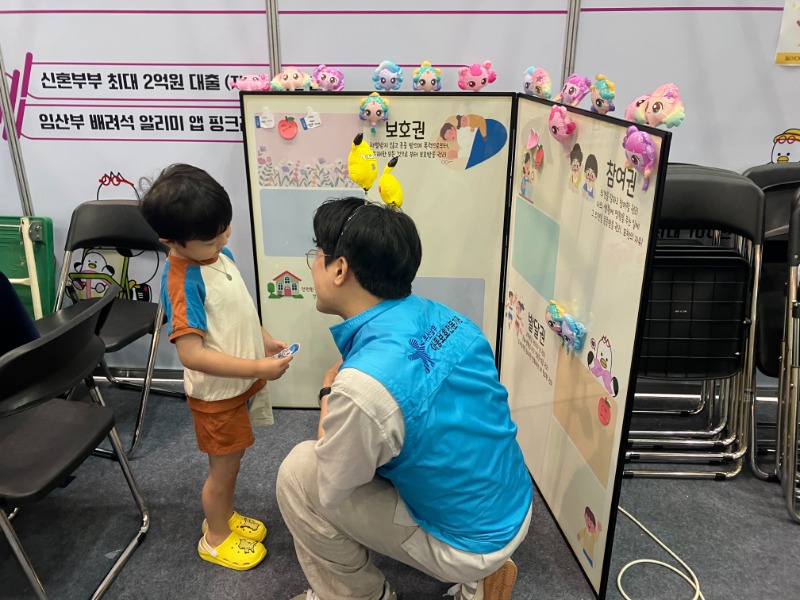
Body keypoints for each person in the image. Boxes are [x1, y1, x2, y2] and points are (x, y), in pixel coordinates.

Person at [277, 197, 534, 600]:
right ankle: (480, 584)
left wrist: (329, 393)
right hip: (514, 504)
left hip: (467, 544)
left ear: (340, 269)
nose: (312, 266)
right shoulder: (448, 318)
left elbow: (332, 487)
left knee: (297, 474)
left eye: (317, 255)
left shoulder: (363, 386)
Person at [140, 163, 293, 571]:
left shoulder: (218, 255)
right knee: (222, 470)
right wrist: (257, 364)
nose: (224, 240)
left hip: (238, 386)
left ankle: (223, 516)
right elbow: (191, 354)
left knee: (234, 461)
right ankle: (216, 537)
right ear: (170, 241)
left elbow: (237, 309)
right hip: (216, 397)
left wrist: (263, 338)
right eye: (212, 238)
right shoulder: (182, 281)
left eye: (226, 230)